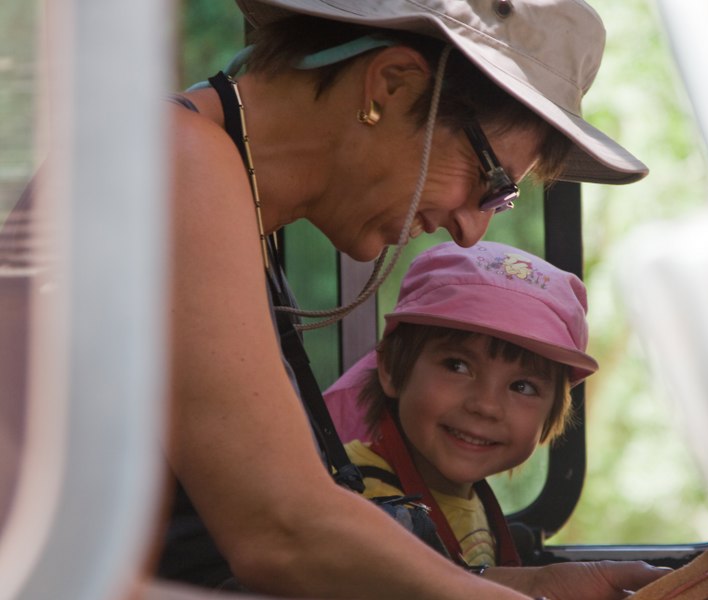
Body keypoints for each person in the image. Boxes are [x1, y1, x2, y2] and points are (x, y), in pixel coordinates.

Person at [161, 0, 665, 598]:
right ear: (391, 86)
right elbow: (281, 532)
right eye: (491, 183)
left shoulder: (228, 197)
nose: (471, 230)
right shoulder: (176, 166)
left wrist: (538, 585)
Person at [331, 240, 598, 569]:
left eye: (522, 386)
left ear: (551, 417)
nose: (486, 405)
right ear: (390, 368)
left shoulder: (474, 503)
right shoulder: (351, 494)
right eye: (457, 366)